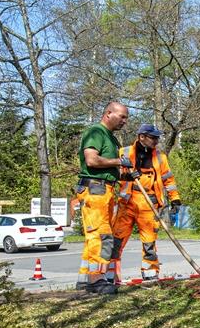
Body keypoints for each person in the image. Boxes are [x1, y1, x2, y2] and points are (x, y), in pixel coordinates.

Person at [110, 124, 181, 281]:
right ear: (142, 137)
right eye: (153, 137)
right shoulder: (124, 153)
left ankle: (150, 273)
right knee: (116, 240)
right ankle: (110, 275)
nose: (156, 140)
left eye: (157, 137)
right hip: (127, 203)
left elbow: (168, 179)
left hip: (149, 204)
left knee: (149, 242)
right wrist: (127, 176)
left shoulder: (160, 158)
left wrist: (174, 198)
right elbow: (114, 175)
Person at [75, 101, 130, 294]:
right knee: (101, 234)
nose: (125, 121)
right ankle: (96, 280)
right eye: (122, 116)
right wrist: (118, 161)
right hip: (94, 189)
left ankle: (85, 279)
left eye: (126, 118)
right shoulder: (95, 132)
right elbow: (92, 160)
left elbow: (107, 169)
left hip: (105, 188)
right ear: (108, 113)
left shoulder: (111, 138)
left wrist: (125, 175)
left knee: (96, 235)